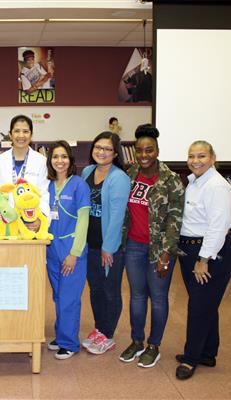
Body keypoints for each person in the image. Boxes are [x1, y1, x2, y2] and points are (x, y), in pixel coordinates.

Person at [119, 124, 184, 368]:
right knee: (136, 296)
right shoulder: (131, 173)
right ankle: (137, 341)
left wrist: (166, 254)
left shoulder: (171, 180)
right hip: (134, 246)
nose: (144, 155)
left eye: (149, 150)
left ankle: (154, 345)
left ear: (157, 150)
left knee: (157, 297)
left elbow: (175, 220)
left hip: (160, 250)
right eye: (140, 151)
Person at [175, 141, 231, 380]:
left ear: (212, 158)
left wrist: (204, 259)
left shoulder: (217, 186)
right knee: (206, 303)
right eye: (191, 156)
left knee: (199, 306)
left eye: (201, 156)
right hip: (191, 250)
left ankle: (191, 359)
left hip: (210, 253)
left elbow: (218, 227)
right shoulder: (194, 182)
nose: (195, 160)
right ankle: (208, 353)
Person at [80, 132, 131, 355]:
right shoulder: (87, 171)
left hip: (108, 247)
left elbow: (118, 215)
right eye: (98, 147)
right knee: (95, 290)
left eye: (107, 149)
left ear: (115, 153)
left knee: (110, 291)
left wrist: (108, 248)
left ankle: (108, 335)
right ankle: (99, 329)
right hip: (88, 243)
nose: (101, 152)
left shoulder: (119, 178)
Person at [45, 141, 91, 360]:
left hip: (72, 248)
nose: (59, 161)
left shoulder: (79, 185)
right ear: (50, 161)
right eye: (55, 156)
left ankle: (70, 343)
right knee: (58, 296)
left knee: (69, 297)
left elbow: (83, 221)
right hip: (51, 249)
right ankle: (61, 335)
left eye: (64, 156)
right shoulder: (48, 185)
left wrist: (75, 253)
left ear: (70, 161)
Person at [0, 115, 50, 228]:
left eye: (25, 131)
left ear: (31, 135)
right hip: (4, 222)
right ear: (10, 134)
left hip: (30, 221)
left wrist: (40, 219)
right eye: (17, 131)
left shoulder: (42, 161)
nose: (21, 135)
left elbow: (43, 194)